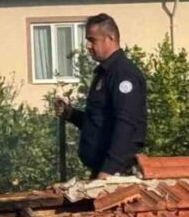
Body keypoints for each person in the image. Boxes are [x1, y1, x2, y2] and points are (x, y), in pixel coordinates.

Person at [53, 13, 147, 179]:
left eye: (92, 40)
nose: (88, 46)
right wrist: (71, 114)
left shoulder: (123, 74)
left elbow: (126, 125)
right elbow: (99, 122)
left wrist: (109, 170)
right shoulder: (105, 73)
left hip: (116, 173)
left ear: (110, 38)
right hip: (102, 169)